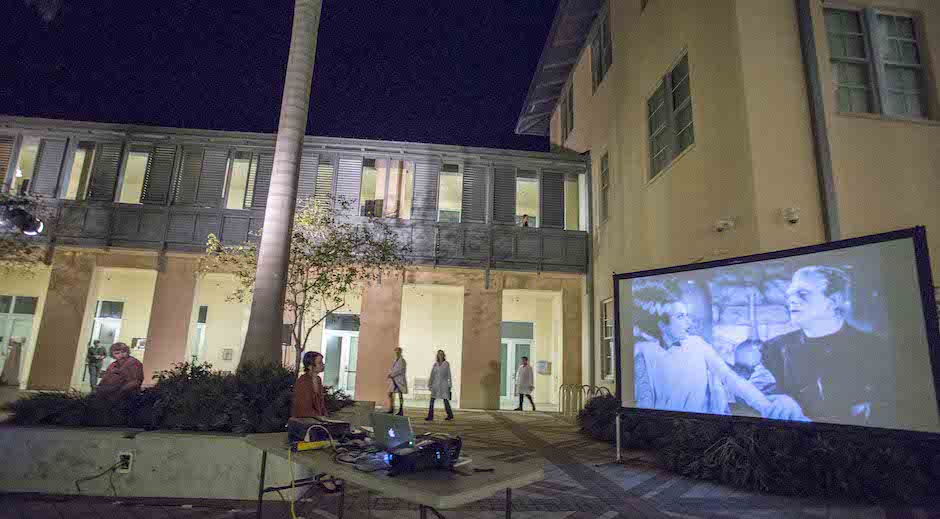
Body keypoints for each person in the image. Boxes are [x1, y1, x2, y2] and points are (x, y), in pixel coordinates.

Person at [761, 266, 894, 425]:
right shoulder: (774, 348)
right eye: (790, 295)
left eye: (802, 294)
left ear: (833, 301)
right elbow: (758, 390)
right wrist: (777, 398)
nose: (791, 300)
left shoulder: (877, 349)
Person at [632, 280, 774, 417]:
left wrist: (766, 406)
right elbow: (644, 404)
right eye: (681, 317)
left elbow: (732, 380)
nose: (689, 322)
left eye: (688, 316)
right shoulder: (644, 352)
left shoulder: (697, 344)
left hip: (702, 428)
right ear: (662, 325)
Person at [292, 351, 328, 418]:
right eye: (319, 363)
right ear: (310, 366)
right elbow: (304, 407)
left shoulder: (318, 380)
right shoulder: (303, 382)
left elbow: (321, 403)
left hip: (317, 420)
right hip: (303, 421)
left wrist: (325, 416)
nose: (323, 365)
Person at [426, 350, 454, 421]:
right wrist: (430, 384)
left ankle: (450, 414)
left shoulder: (446, 364)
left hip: (443, 385)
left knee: (445, 400)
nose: (440, 355)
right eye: (439, 354)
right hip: (435, 384)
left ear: (443, 355)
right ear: (437, 355)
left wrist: (450, 385)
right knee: (432, 399)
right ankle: (430, 416)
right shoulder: (435, 364)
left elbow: (449, 375)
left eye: (441, 354)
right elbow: (432, 375)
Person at [386, 347, 408, 416]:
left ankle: (401, 410)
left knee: (400, 395)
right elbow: (393, 369)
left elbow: (400, 370)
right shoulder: (395, 360)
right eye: (396, 352)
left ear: (400, 352)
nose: (397, 353)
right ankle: (391, 408)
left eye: (398, 351)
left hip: (399, 381)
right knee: (390, 393)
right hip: (394, 380)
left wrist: (392, 374)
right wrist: (390, 374)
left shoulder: (402, 361)